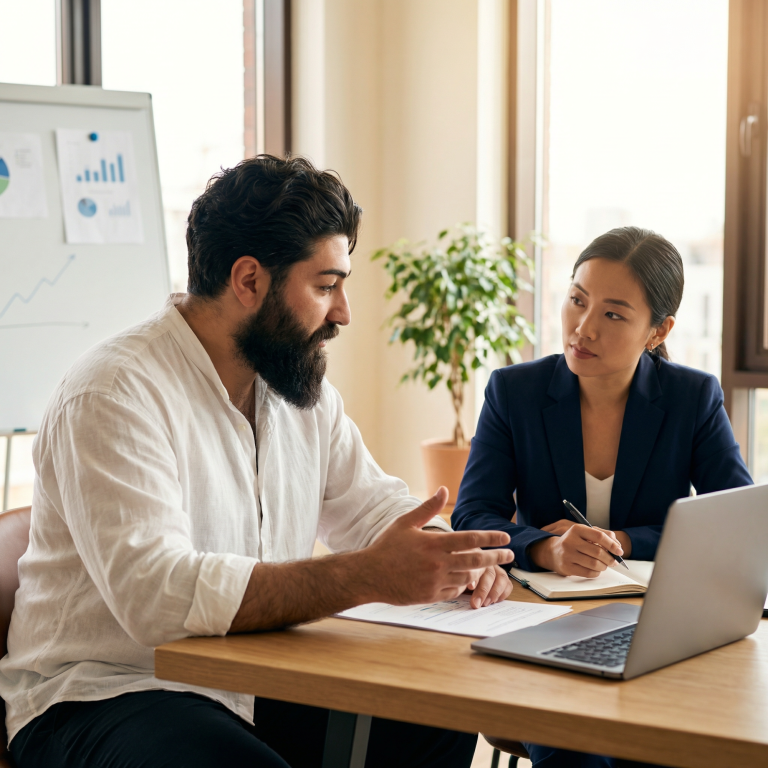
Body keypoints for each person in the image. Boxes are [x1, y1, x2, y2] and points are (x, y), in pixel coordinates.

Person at [0, 155, 515, 768]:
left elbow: (377, 507)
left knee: (437, 714)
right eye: (326, 286)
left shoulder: (299, 391)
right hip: (105, 691)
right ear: (249, 281)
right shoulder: (113, 393)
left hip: (252, 674)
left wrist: (447, 555)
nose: (344, 312)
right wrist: (368, 576)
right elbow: (156, 598)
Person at [452, 226, 752, 768]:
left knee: (662, 747)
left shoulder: (692, 398)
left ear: (657, 331)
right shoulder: (513, 392)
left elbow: (736, 526)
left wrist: (622, 540)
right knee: (578, 752)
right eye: (577, 300)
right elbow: (473, 514)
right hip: (540, 629)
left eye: (613, 314)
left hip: (654, 632)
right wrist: (544, 548)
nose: (582, 328)